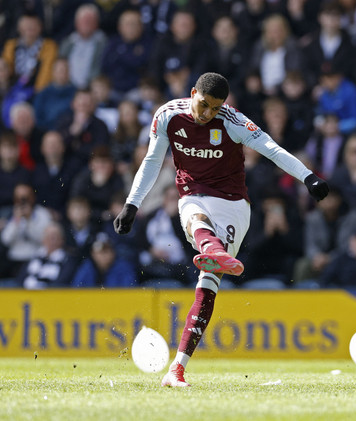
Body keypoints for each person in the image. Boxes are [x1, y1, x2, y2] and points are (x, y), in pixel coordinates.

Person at [112, 72, 328, 387]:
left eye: (215, 108)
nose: (208, 113)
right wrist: (132, 204)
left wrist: (308, 177)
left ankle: (177, 367)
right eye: (204, 104)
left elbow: (271, 148)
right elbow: (152, 160)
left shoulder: (232, 121)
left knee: (209, 282)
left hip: (233, 205)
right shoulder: (168, 115)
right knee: (192, 216)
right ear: (192, 93)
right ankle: (178, 369)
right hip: (193, 195)